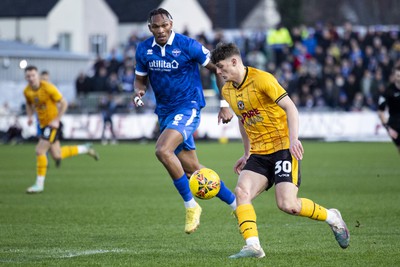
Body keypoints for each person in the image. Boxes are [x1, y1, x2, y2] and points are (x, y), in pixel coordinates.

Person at [210, 43, 350, 259]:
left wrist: (293, 139)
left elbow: (290, 107)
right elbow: (243, 120)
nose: (217, 72)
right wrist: (247, 153)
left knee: (288, 205)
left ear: (234, 61)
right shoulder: (228, 90)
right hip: (259, 152)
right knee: (241, 193)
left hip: (283, 147)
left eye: (220, 66)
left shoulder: (262, 79)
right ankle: (253, 246)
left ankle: (332, 218)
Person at [133, 8, 236, 234]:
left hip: (188, 107)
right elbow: (140, 80)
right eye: (155, 27)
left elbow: (218, 69)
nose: (160, 30)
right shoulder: (143, 50)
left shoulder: (188, 45)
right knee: (193, 170)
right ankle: (236, 203)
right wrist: (138, 93)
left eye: (164, 25)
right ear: (150, 28)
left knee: (162, 150)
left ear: (171, 24)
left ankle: (191, 206)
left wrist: (225, 103)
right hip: (165, 112)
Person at [23, 65, 99, 193]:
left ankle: (39, 184)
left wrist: (56, 119)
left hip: (52, 125)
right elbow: (29, 103)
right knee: (57, 155)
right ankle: (84, 148)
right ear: (26, 77)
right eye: (28, 76)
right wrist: (30, 116)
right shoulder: (27, 91)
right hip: (42, 125)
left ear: (37, 76)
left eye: (33, 75)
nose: (31, 78)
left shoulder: (48, 88)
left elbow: (64, 103)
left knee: (40, 150)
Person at [378, 65, 400, 154]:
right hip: (395, 125)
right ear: (394, 76)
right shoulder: (388, 91)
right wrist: (388, 127)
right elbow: (380, 111)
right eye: (398, 76)